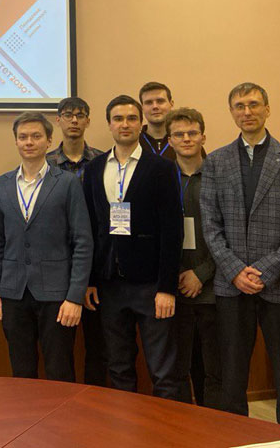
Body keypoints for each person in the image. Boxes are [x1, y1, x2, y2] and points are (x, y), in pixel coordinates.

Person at [199, 82, 280, 428]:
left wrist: (265, 270)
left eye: (253, 104)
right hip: (231, 284)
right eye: (239, 106)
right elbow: (210, 224)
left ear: (267, 109)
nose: (246, 112)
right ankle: (235, 433)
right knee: (232, 370)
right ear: (231, 112)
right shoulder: (216, 161)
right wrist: (235, 270)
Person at [83, 95, 182, 397]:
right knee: (118, 366)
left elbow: (172, 231)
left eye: (131, 118)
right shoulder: (94, 168)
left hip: (150, 285)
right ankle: (126, 423)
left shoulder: (162, 168)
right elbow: (90, 228)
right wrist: (90, 280)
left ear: (141, 124)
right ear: (109, 124)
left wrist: (166, 288)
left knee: (162, 370)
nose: (124, 124)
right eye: (118, 119)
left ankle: (165, 425)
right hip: (109, 285)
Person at [0, 112, 92, 382]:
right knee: (21, 372)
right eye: (23, 137)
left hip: (57, 296)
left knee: (59, 370)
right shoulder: (1, 185)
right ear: (16, 142)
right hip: (13, 293)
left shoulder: (67, 183)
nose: (29, 142)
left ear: (49, 141)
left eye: (36, 136)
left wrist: (74, 297)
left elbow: (82, 242)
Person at [45, 96, 105, 385]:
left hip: (97, 265)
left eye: (80, 115)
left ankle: (95, 402)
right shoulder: (45, 164)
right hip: (56, 265)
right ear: (58, 120)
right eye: (68, 115)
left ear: (88, 121)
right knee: (58, 350)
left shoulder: (103, 161)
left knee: (99, 346)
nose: (74, 120)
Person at [167, 107, 221, 408]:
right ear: (170, 140)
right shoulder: (162, 178)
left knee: (213, 371)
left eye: (192, 133)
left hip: (213, 290)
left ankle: (211, 427)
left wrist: (201, 273)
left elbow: (231, 233)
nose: (186, 139)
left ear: (203, 136)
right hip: (173, 290)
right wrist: (175, 272)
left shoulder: (220, 176)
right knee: (176, 370)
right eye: (179, 134)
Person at [138, 82, 177, 162]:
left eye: (160, 101)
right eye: (149, 103)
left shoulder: (184, 140)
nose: (155, 106)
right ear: (142, 108)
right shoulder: (134, 143)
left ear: (171, 104)